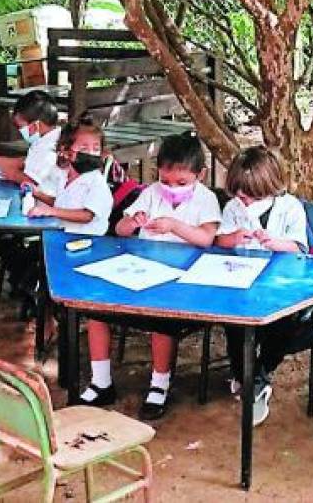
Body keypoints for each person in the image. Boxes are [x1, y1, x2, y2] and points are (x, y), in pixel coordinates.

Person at [80, 133, 220, 420]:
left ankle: (159, 385)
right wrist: (133, 221)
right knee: (96, 310)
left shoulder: (206, 200)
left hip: (181, 279)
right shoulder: (152, 193)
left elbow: (206, 238)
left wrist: (174, 225)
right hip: (141, 270)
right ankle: (101, 380)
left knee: (162, 322)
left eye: (181, 183)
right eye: (166, 180)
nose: (171, 189)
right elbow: (119, 229)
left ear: (200, 175)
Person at [216, 146, 313, 426]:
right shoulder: (233, 207)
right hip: (241, 279)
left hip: (278, 282)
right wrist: (234, 237)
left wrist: (274, 243)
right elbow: (221, 240)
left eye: (250, 197)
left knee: (282, 323)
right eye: (240, 196)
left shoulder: (290, 208)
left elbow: (298, 247)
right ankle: (246, 376)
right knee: (234, 322)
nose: (244, 203)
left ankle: (258, 374)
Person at [0, 91, 63, 188]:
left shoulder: (47, 149)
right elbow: (30, 161)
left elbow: (30, 181)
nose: (20, 131)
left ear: (35, 126)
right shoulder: (53, 137)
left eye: (21, 127)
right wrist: (0, 160)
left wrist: (9, 173)